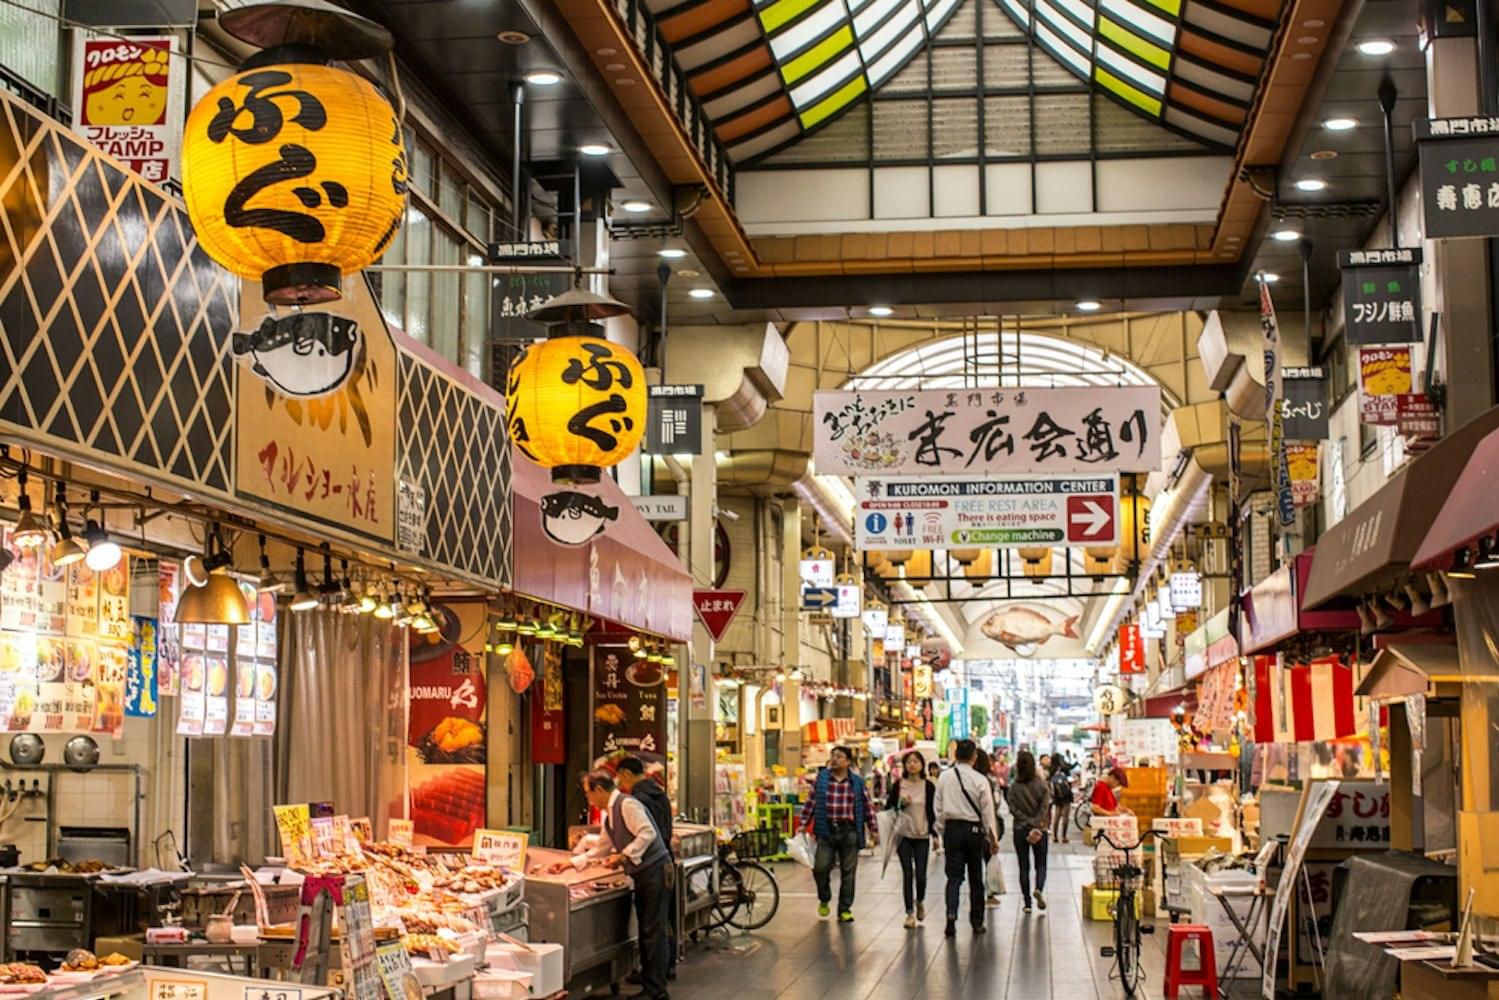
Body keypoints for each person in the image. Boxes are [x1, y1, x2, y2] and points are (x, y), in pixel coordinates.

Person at [576, 770, 671, 1000]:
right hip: (644, 874)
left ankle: (656, 991)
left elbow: (647, 833)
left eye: (589, 793)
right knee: (647, 930)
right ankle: (651, 986)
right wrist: (572, 863)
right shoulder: (610, 814)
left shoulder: (627, 805)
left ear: (599, 789)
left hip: (656, 870)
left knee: (653, 931)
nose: (589, 799)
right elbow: (603, 847)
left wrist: (623, 856)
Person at [797, 745, 878, 922]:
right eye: (833, 756)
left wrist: (873, 829)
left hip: (849, 832)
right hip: (826, 830)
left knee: (848, 873)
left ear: (848, 761)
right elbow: (811, 801)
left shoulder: (857, 782)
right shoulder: (822, 778)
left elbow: (867, 806)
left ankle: (845, 909)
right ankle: (824, 897)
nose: (834, 759)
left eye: (839, 756)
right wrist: (803, 823)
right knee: (820, 868)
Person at [617, 757, 676, 982]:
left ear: (627, 775)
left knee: (652, 926)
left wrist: (626, 853)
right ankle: (665, 969)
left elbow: (646, 834)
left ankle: (654, 979)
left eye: (620, 777)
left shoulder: (635, 800)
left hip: (651, 864)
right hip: (665, 858)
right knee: (661, 921)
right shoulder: (658, 793)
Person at [933, 739, 999, 937]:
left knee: (953, 877)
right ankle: (976, 921)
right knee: (975, 877)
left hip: (952, 830)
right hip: (974, 832)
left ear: (955, 755)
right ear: (974, 757)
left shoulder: (944, 778)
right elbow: (987, 812)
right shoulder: (980, 779)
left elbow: (937, 807)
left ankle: (951, 915)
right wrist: (992, 838)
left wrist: (942, 830)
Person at [886, 750, 936, 929]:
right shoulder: (899, 785)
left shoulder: (928, 786)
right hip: (903, 835)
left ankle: (920, 900)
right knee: (907, 874)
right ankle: (909, 913)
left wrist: (936, 835)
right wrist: (901, 804)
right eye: (908, 762)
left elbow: (933, 812)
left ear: (922, 764)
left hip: (922, 834)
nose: (912, 764)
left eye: (915, 761)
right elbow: (889, 808)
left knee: (921, 874)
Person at [1005, 750, 1052, 914]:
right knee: (1041, 864)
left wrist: (1025, 823)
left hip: (1020, 830)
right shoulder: (1041, 786)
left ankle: (1027, 903)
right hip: (1040, 830)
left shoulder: (1014, 787)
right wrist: (1035, 824)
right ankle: (1038, 887)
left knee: (1023, 866)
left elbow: (1012, 808)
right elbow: (1044, 808)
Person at [973, 749, 1002, 907]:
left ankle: (976, 893)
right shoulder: (989, 780)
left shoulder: (966, 779)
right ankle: (990, 894)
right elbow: (997, 802)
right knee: (989, 857)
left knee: (974, 862)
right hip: (987, 825)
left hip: (969, 825)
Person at [927, 761, 944, 854]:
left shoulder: (941, 779)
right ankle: (936, 840)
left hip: (941, 804)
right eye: (931, 769)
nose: (933, 770)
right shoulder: (929, 780)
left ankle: (937, 841)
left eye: (935, 768)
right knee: (934, 823)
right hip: (932, 804)